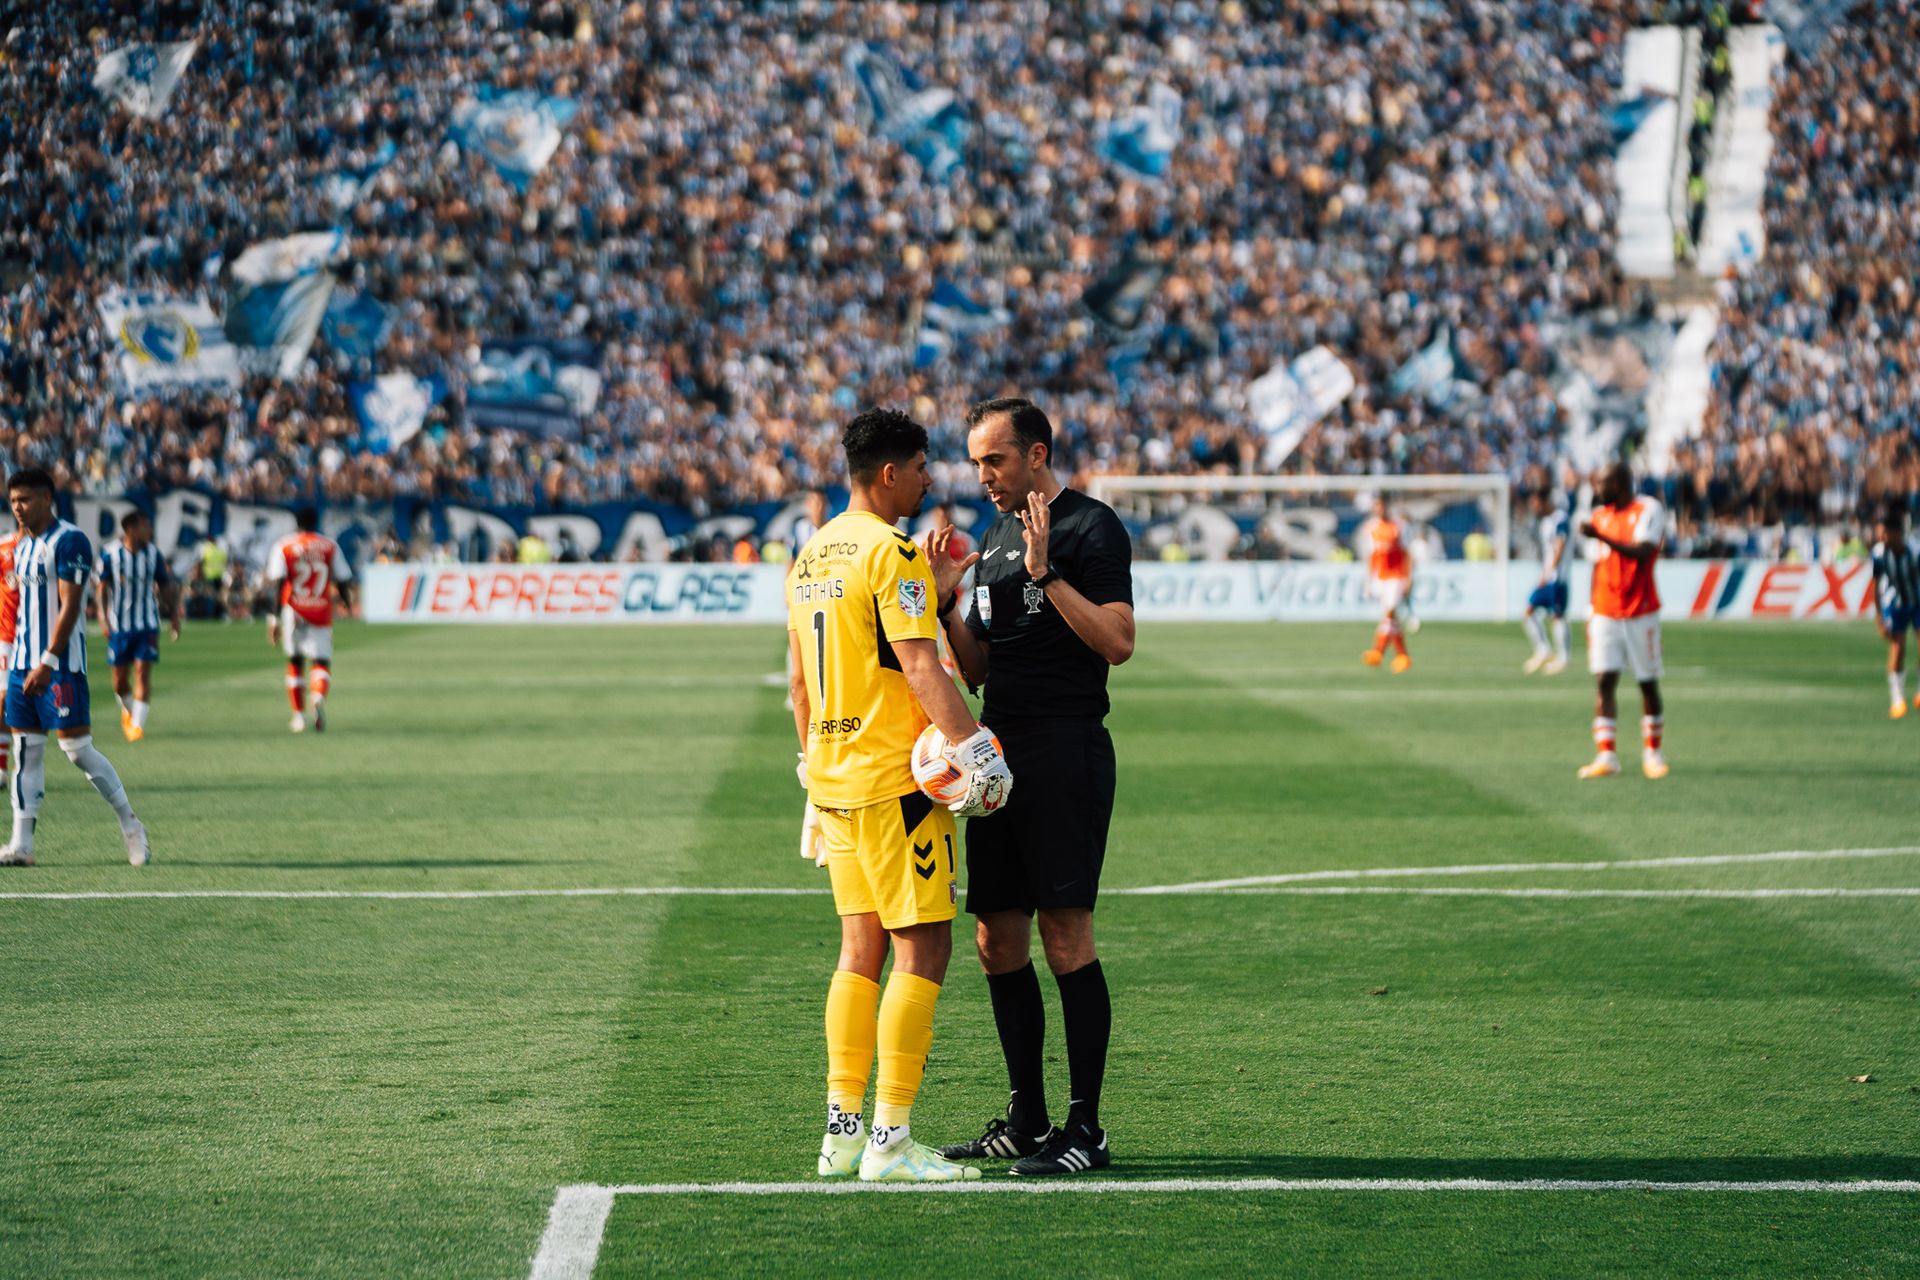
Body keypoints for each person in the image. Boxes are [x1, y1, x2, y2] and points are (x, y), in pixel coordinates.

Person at [788, 407, 1013, 1185]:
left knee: (859, 950)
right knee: (924, 946)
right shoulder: (890, 553)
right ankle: (890, 1139)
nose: (928, 480)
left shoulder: (812, 554)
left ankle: (842, 1132)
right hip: (894, 781)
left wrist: (811, 771)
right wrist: (975, 747)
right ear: (889, 473)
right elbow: (920, 665)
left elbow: (799, 682)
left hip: (835, 779)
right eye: (920, 468)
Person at [931, 396, 1135, 1178]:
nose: (983, 476)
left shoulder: (1091, 528)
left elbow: (1118, 642)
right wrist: (950, 599)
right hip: (999, 761)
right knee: (996, 940)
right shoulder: (992, 536)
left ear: (1039, 455)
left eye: (997, 460)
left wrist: (1047, 575)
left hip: (1065, 751)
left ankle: (1086, 1130)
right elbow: (977, 668)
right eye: (977, 462)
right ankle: (1027, 1117)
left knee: (1065, 937)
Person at [0, 470, 150, 868]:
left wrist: (48, 661)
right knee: (26, 751)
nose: (17, 506)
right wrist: (14, 662)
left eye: (25, 499)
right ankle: (22, 845)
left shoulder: (70, 541)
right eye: (13, 499)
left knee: (77, 751)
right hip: (21, 667)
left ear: (47, 498)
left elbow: (70, 605)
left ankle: (130, 824)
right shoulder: (23, 547)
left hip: (60, 667)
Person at [1578, 462, 1668, 779]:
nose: (1598, 490)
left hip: (1640, 610)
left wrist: (1600, 535)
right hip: (1605, 609)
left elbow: (1643, 552)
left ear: (1618, 483)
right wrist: (1591, 608)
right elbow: (1597, 566)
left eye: (1602, 484)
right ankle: (1606, 756)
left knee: (1647, 682)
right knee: (1604, 680)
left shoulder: (1648, 509)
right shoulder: (1599, 516)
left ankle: (1653, 754)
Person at [96, 510, 183, 742]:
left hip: (147, 624)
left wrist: (174, 615)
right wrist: (103, 619)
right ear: (131, 529)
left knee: (143, 673)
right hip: (119, 626)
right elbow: (102, 590)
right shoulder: (110, 555)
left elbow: (165, 587)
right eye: (145, 526)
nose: (150, 531)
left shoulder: (153, 554)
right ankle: (130, 711)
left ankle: (137, 726)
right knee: (119, 681)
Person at [266, 508, 355, 734]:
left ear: (296, 523)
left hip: (293, 610)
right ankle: (317, 698)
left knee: (295, 662)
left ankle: (298, 716)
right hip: (320, 609)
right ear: (317, 521)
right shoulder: (329, 545)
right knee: (321, 662)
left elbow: (277, 584)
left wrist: (273, 619)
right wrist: (347, 602)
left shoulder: (284, 545)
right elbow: (343, 578)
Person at [1870, 505, 1920, 720]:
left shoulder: (1915, 551)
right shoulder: (1880, 554)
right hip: (1896, 603)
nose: (1881, 536)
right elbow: (1875, 585)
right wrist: (1880, 617)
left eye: (1885, 532)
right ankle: (1897, 699)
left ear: (1896, 532)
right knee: (1897, 648)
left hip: (1918, 601)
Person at [1522, 490, 1572, 674]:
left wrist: (1550, 570)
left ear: (1544, 502)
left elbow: (1560, 544)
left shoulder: (1561, 519)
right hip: (1547, 576)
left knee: (1557, 616)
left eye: (1535, 503)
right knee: (1529, 611)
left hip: (1558, 577)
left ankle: (1564, 658)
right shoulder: (1544, 523)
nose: (1533, 508)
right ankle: (1543, 651)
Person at [1361, 497, 1414, 672]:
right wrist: (1369, 580)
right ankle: (1402, 656)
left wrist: (1408, 578)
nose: (1379, 510)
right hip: (1380, 577)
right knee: (1392, 619)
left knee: (1389, 613)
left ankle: (1378, 652)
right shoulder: (1371, 528)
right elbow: (1372, 555)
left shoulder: (1399, 527)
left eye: (1382, 506)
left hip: (1396, 576)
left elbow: (1408, 554)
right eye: (1376, 506)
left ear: (1387, 507)